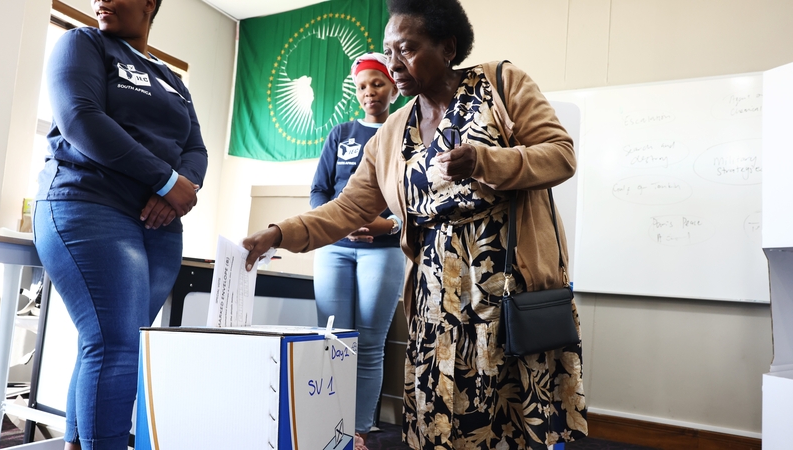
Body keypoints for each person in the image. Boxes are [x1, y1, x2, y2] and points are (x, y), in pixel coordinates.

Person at [242, 0, 587, 447]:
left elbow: (560, 155)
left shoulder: (500, 82)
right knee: (445, 420)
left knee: (513, 419)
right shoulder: (391, 132)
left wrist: (484, 160)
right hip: (434, 303)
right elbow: (346, 209)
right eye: (389, 51)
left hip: (507, 293)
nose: (394, 63)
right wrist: (279, 233)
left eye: (406, 48)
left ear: (448, 47)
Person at [32, 0, 207, 448]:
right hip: (90, 203)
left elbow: (195, 149)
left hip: (157, 225)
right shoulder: (82, 43)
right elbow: (79, 118)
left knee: (113, 345)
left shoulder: (172, 79)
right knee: (116, 347)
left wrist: (177, 189)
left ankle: (77, 442)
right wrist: (166, 180)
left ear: (150, 4)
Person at [310, 52, 406, 449]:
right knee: (332, 340)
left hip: (383, 251)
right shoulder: (341, 133)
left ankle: (358, 431)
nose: (369, 92)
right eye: (362, 86)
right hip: (334, 248)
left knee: (368, 344)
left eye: (377, 83)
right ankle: (325, 424)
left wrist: (390, 224)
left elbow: (414, 197)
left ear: (394, 87)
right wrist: (334, 223)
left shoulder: (406, 132)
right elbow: (319, 192)